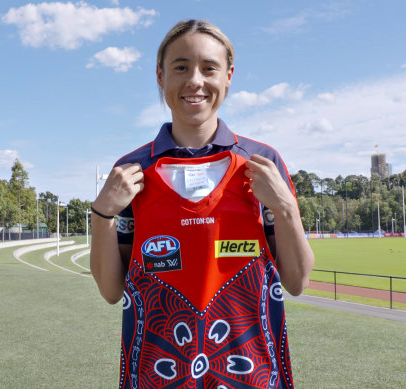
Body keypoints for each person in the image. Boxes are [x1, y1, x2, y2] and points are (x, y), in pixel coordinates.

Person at [90, 19, 314, 388]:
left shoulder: (263, 162)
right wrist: (102, 216)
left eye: (209, 68)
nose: (195, 80)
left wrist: (286, 208)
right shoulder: (131, 171)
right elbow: (111, 292)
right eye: (181, 67)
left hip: (251, 375)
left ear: (228, 76)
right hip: (156, 374)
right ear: (160, 77)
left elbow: (297, 280)